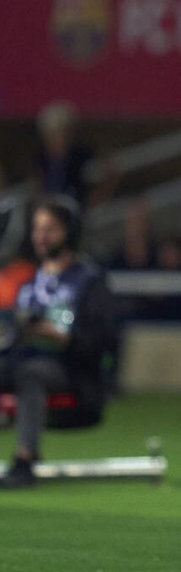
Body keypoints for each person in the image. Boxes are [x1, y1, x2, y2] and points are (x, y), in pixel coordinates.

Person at [0, 196, 116, 488]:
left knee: (30, 373)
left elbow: (103, 339)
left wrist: (59, 336)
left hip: (72, 370)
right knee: (21, 369)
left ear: (69, 231)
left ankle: (25, 461)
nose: (40, 236)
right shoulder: (29, 282)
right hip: (24, 359)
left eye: (49, 229)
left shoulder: (88, 279)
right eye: (37, 229)